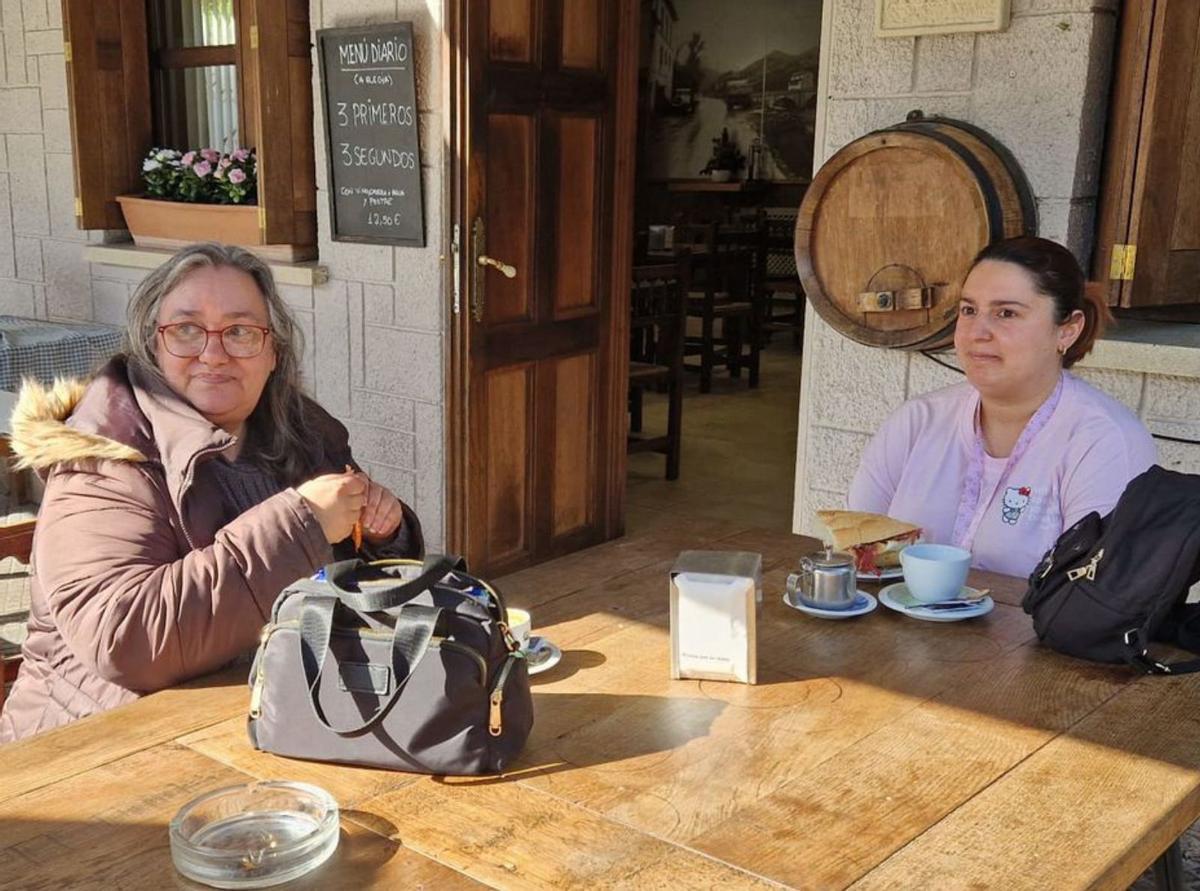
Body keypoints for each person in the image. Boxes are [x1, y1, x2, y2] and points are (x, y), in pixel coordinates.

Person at [0, 243, 422, 742]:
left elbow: (356, 582)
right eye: (186, 330)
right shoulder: (103, 455)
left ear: (273, 353)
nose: (213, 353)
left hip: (272, 715)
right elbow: (127, 639)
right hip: (98, 750)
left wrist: (384, 532)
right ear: (151, 345)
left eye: (240, 331)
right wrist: (302, 524)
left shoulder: (302, 433)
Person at [848, 236, 1156, 578]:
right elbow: (857, 552)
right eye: (969, 310)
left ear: (1067, 331)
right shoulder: (917, 422)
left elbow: (1096, 595)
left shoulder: (1104, 442)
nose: (978, 331)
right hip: (896, 629)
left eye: (1006, 313)